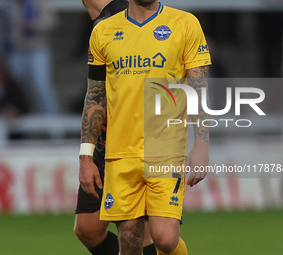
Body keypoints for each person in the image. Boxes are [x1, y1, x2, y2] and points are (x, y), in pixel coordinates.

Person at [79, 0, 211, 254]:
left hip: (165, 150)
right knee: (129, 244)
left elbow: (199, 88)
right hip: (120, 154)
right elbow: (94, 96)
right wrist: (86, 155)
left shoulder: (185, 24)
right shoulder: (104, 30)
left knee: (164, 239)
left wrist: (202, 143)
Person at [74, 1, 157, 254]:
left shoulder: (143, 14)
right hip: (106, 137)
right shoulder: (107, 16)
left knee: (138, 236)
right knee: (87, 229)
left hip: (140, 139)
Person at [0, 0, 59, 114]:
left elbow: (52, 21)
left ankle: (53, 122)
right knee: (18, 88)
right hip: (16, 52)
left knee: (42, 86)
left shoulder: (39, 3)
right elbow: (3, 29)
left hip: (37, 51)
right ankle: (24, 115)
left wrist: (35, 24)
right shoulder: (8, 5)